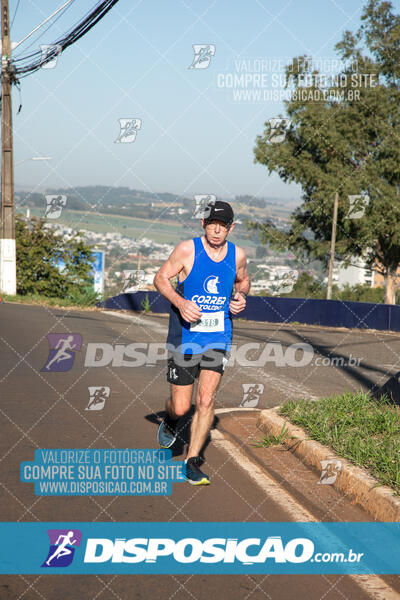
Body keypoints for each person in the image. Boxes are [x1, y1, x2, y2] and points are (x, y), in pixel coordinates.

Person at [153, 200, 250, 485]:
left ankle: (192, 460)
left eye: (223, 226)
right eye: (212, 225)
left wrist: (240, 297)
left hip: (218, 336)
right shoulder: (187, 250)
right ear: (203, 225)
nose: (217, 231)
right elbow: (160, 279)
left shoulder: (238, 255)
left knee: (206, 399)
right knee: (182, 407)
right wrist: (180, 303)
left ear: (230, 228)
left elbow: (243, 282)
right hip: (184, 336)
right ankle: (171, 420)